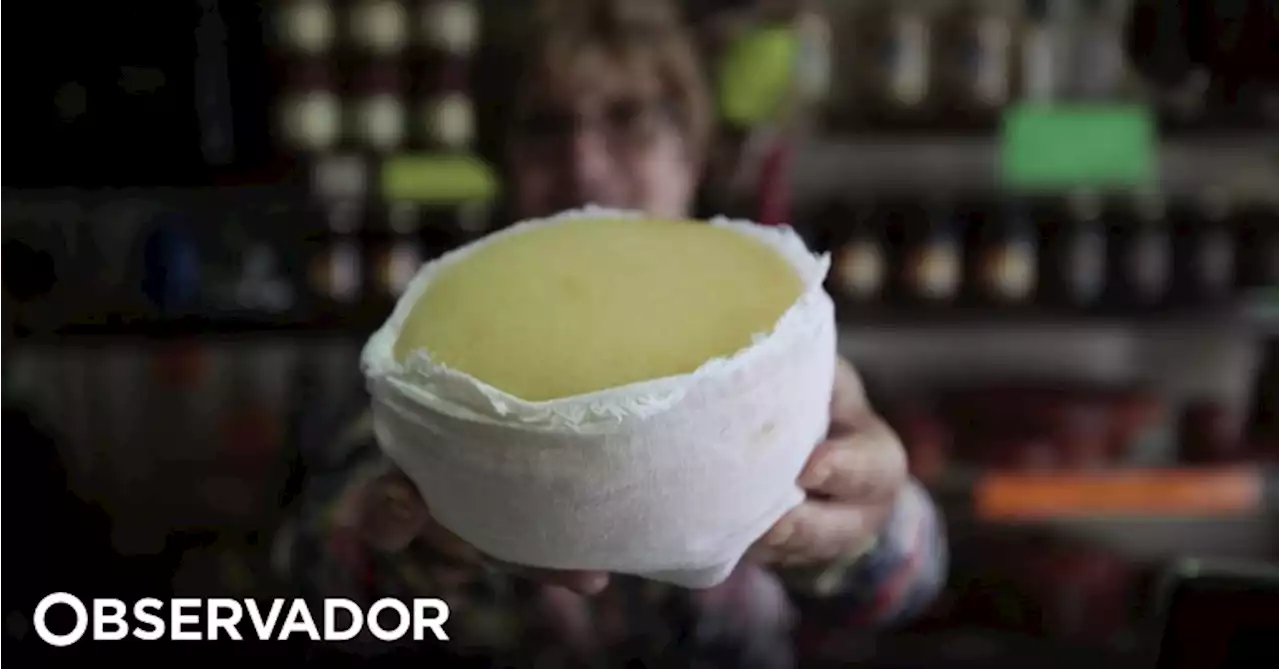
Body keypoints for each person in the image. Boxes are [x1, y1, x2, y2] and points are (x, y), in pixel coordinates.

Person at [276, 1, 946, 666]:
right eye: (544, 127)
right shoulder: (430, 363)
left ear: (693, 148)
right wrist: (395, 560)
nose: (585, 161)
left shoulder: (779, 347)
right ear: (502, 159)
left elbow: (907, 584)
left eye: (631, 120)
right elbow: (308, 589)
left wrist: (864, 526)